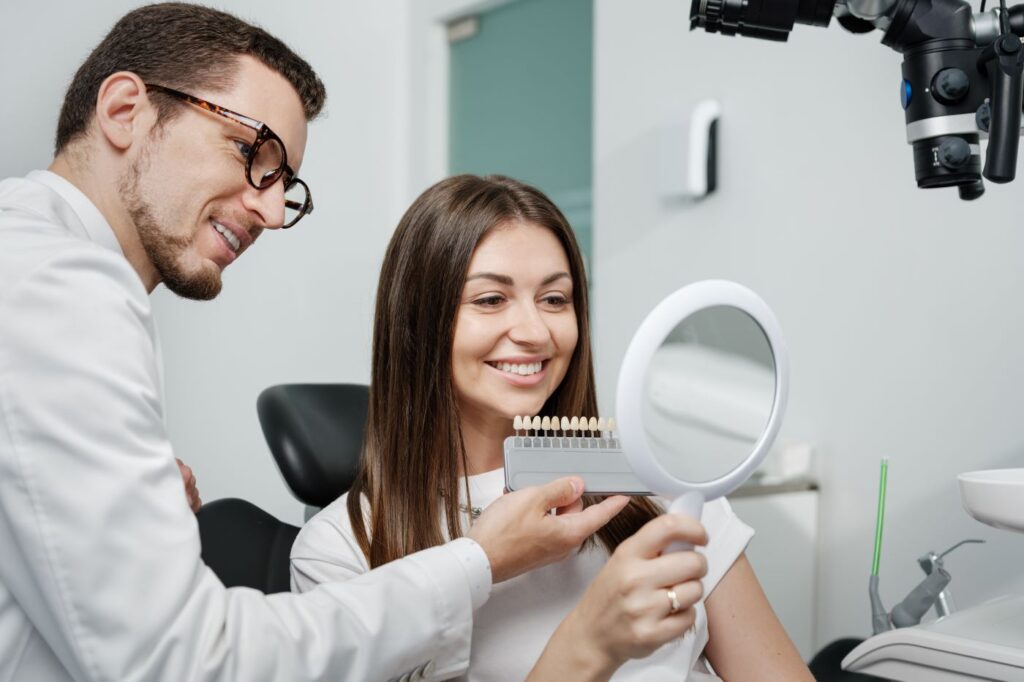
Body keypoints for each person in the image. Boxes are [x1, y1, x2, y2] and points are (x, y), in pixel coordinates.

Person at [0, 5, 636, 681]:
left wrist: (139, 523)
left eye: (556, 297)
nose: (273, 213)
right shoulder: (60, 286)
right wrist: (478, 564)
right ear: (127, 110)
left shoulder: (625, 475)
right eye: (253, 154)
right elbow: (176, 661)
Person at [291, 175, 814, 680]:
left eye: (555, 299)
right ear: (416, 321)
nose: (536, 331)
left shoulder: (665, 487)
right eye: (491, 299)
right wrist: (590, 643)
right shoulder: (340, 552)